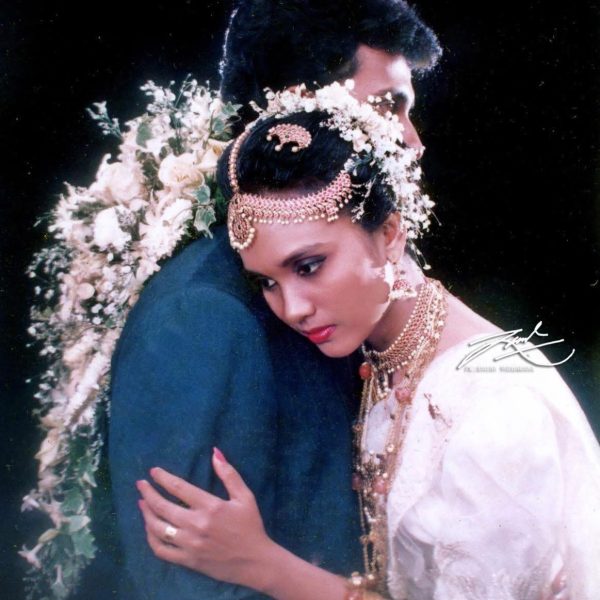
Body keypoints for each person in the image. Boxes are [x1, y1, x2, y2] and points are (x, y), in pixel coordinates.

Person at [136, 90, 600, 599]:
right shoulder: (382, 358)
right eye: (267, 282)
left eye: (308, 266)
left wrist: (263, 564)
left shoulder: (498, 410)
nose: (293, 308)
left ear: (391, 234)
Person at [109, 1, 442, 598]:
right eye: (387, 107)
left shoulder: (361, 279)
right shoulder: (202, 318)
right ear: (295, 111)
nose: (413, 142)